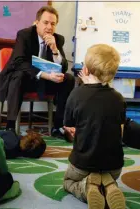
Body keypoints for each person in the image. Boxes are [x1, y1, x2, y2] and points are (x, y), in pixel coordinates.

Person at [0, 6, 75, 138]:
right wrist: (46, 75)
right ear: (36, 22)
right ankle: (10, 127)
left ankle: (58, 126)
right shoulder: (24, 35)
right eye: (45, 23)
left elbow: (63, 67)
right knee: (19, 76)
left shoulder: (58, 39)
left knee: (68, 79)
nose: (49, 27)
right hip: (23, 79)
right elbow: (19, 62)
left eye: (53, 24)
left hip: (44, 81)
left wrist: (55, 50)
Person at [63, 44, 126, 209]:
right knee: (106, 171)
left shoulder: (76, 95)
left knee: (68, 182)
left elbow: (69, 128)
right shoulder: (118, 99)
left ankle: (86, 187)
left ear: (85, 69)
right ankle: (109, 185)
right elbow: (120, 132)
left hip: (83, 165)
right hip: (114, 167)